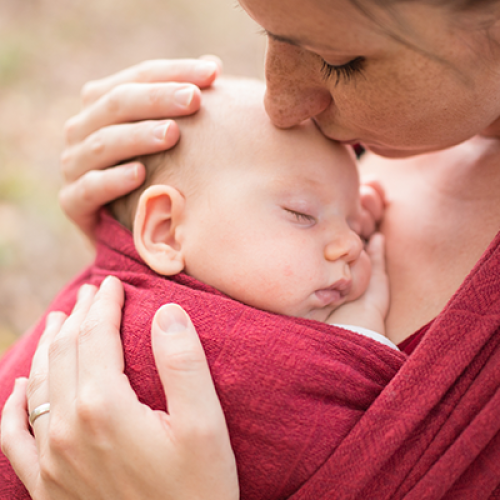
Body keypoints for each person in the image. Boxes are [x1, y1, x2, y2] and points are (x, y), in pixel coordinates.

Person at [2, 0, 500, 498]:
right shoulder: (335, 147)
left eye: (339, 61)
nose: (278, 103)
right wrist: (120, 215)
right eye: (268, 33)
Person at [0, 76, 397, 499]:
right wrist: (360, 336)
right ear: (166, 230)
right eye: (301, 214)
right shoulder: (174, 333)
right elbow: (321, 443)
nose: (351, 245)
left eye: (356, 225)